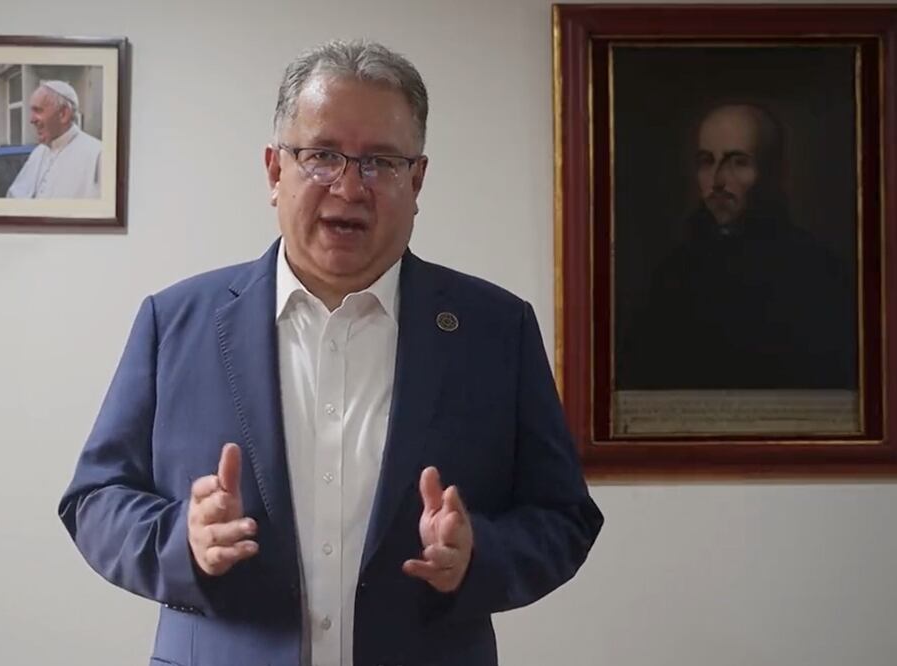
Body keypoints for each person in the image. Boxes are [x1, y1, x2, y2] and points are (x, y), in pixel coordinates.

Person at [59, 40, 602, 666]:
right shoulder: (176, 322)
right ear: (273, 171)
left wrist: (476, 555)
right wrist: (183, 540)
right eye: (321, 156)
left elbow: (563, 518)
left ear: (417, 179)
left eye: (381, 162)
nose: (349, 187)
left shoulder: (495, 330)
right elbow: (95, 500)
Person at [618, 103, 857, 391]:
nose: (718, 180)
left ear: (773, 173)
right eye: (707, 161)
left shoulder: (818, 273)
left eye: (738, 162)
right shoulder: (671, 276)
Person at [6, 80, 102, 198]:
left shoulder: (97, 154)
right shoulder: (39, 152)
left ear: (63, 114)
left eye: (38, 110)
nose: (31, 120)